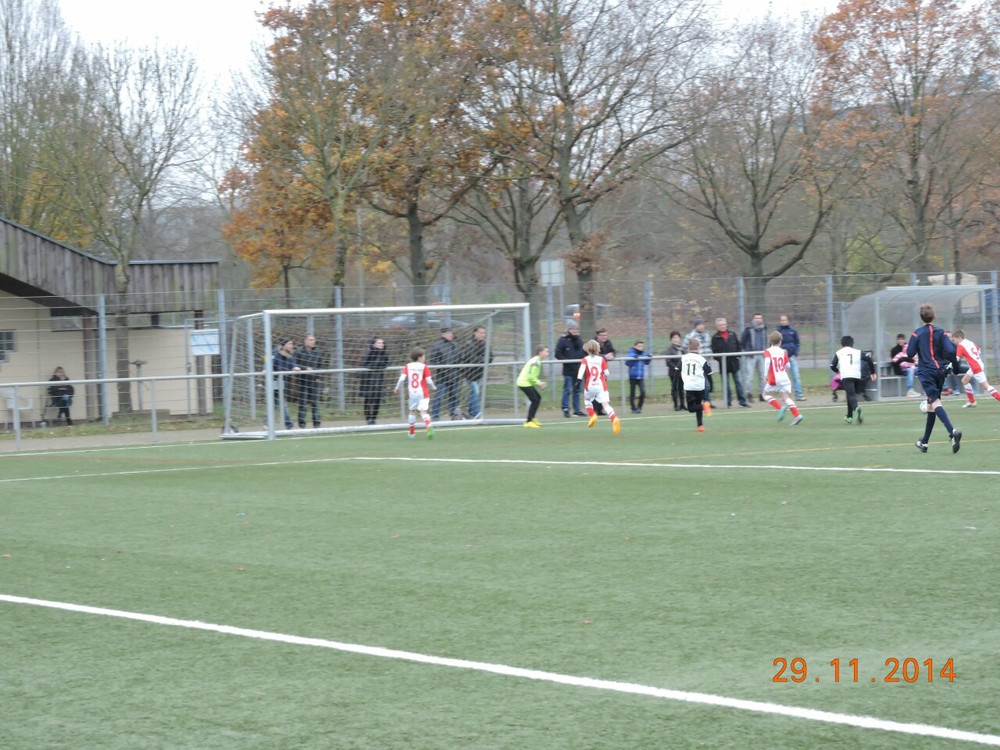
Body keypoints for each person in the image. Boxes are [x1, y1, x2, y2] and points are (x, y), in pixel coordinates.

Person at [906, 304, 962, 453]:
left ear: (921, 317)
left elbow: (910, 353)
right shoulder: (941, 333)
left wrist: (919, 348)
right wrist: (955, 367)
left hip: (926, 372)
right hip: (940, 371)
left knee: (935, 402)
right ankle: (924, 442)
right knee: (931, 406)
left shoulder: (917, 334)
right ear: (934, 316)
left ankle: (952, 432)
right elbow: (950, 350)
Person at [577, 339, 621, 434]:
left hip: (590, 385)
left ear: (587, 350)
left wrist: (578, 381)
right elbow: (607, 373)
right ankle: (614, 419)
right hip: (601, 385)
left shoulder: (585, 359)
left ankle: (592, 415)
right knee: (605, 404)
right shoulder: (602, 359)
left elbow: (581, 371)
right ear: (598, 349)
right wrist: (604, 377)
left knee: (587, 400)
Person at [762, 330, 804, 426]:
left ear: (770, 341)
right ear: (780, 341)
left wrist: (765, 375)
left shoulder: (768, 351)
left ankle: (779, 408)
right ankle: (797, 415)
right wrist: (784, 372)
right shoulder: (783, 352)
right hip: (784, 376)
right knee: (785, 397)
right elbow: (788, 365)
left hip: (774, 378)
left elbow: (767, 362)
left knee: (765, 394)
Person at [831, 335, 875, 424]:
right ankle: (849, 416)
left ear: (842, 344)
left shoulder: (839, 352)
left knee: (851, 395)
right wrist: (873, 372)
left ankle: (856, 408)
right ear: (852, 344)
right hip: (857, 376)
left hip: (846, 376)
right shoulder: (858, 352)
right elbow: (869, 359)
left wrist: (837, 371)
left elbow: (832, 366)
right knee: (850, 394)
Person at [950, 328, 1000, 408]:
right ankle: (972, 401)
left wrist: (949, 366)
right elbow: (979, 350)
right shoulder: (970, 342)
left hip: (975, 367)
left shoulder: (960, 345)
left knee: (986, 386)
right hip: (978, 364)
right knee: (964, 381)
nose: (954, 341)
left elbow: (956, 359)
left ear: (959, 338)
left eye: (954, 339)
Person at [394, 347, 437, 439]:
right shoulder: (424, 367)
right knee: (423, 411)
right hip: (423, 392)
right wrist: (433, 387)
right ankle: (428, 425)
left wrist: (396, 388)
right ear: (419, 357)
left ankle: (412, 433)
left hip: (412, 393)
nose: (425, 358)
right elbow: (429, 380)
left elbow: (401, 378)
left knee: (412, 411)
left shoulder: (408, 366)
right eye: (424, 356)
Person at [711, 317, 748, 407]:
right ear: (717, 326)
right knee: (726, 385)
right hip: (723, 365)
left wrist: (737, 357)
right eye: (720, 325)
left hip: (734, 364)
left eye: (723, 324)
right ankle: (728, 402)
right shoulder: (715, 338)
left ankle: (742, 401)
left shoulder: (732, 334)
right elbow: (714, 351)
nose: (722, 326)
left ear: (726, 324)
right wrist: (720, 360)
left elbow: (739, 346)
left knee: (738, 382)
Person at [555, 320, 587, 417]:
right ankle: (565, 408)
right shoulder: (562, 340)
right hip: (568, 370)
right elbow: (558, 353)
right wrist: (566, 361)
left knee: (577, 390)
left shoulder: (579, 340)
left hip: (578, 369)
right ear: (568, 329)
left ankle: (577, 409)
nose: (575, 331)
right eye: (573, 329)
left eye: (576, 329)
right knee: (567, 389)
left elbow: (584, 352)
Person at [428, 327, 461, 421]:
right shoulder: (437, 346)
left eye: (451, 333)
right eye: (449, 333)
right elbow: (433, 361)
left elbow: (460, 359)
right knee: (439, 397)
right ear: (443, 334)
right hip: (442, 377)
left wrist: (458, 371)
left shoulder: (455, 345)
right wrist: (443, 369)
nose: (451, 335)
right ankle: (435, 417)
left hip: (454, 376)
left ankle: (453, 415)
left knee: (454, 397)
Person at [680, 337, 712, 432]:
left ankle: (704, 406)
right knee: (698, 403)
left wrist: (675, 384)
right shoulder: (701, 358)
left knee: (691, 408)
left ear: (688, 348)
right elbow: (709, 372)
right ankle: (700, 426)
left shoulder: (684, 358)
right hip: (700, 386)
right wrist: (710, 384)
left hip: (689, 386)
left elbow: (677, 370)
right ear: (698, 348)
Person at [461, 325, 492, 419]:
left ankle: (470, 413)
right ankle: (475, 413)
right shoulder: (469, 344)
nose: (483, 335)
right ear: (475, 333)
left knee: (474, 392)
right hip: (470, 374)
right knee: (475, 391)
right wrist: (483, 360)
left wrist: (483, 360)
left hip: (480, 373)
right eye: (481, 332)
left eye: (484, 333)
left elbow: (490, 357)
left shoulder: (485, 344)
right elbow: (472, 358)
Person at [294, 333, 325, 428]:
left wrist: (317, 374)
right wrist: (305, 369)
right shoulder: (299, 351)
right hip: (302, 380)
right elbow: (295, 364)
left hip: (314, 380)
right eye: (311, 340)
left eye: (313, 340)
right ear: (305, 341)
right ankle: (301, 423)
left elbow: (320, 365)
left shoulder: (317, 352)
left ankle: (317, 423)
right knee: (302, 403)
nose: (313, 342)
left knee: (315, 403)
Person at [271, 337, 300, 430]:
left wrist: (295, 367)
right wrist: (266, 368)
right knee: (281, 403)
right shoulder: (275, 354)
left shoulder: (289, 356)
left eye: (292, 344)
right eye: (289, 344)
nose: (292, 346)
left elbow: (293, 365)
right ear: (283, 346)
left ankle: (266, 424)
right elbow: (268, 363)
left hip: (285, 383)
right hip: (275, 382)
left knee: (275, 404)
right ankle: (289, 425)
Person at [682, 318, 713, 406]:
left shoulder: (707, 335)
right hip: (696, 365)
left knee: (707, 385)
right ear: (695, 326)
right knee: (701, 384)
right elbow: (684, 348)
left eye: (703, 324)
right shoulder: (690, 336)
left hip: (706, 363)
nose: (702, 326)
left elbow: (709, 347)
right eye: (699, 324)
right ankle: (703, 403)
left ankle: (707, 402)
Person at [359, 337, 389, 425]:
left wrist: (380, 365)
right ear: (374, 344)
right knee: (368, 399)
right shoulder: (369, 353)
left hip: (379, 380)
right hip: (368, 380)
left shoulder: (384, 354)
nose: (381, 344)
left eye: (382, 343)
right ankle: (368, 417)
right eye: (379, 343)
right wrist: (376, 365)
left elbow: (386, 364)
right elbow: (364, 364)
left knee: (377, 400)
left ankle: (374, 418)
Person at [517, 345, 548, 428]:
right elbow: (530, 376)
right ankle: (528, 421)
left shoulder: (537, 360)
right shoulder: (536, 362)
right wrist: (539, 383)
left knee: (537, 398)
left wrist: (538, 382)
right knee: (535, 400)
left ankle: (532, 418)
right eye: (546, 351)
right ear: (540, 352)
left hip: (525, 382)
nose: (547, 354)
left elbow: (531, 376)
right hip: (524, 383)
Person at [776, 314, 805, 399]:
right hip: (781, 358)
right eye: (782, 320)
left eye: (785, 320)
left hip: (791, 357)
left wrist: (796, 352)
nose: (783, 322)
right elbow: (774, 344)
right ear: (780, 321)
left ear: (787, 321)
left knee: (796, 376)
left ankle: (799, 394)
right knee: (783, 378)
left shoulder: (793, 331)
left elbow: (797, 342)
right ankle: (785, 395)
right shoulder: (777, 332)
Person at [740, 313, 768, 401]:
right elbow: (743, 341)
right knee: (750, 376)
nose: (758, 319)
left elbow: (766, 340)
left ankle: (761, 394)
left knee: (762, 376)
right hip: (751, 355)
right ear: (753, 319)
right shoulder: (748, 329)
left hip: (761, 354)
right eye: (756, 318)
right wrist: (748, 350)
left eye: (760, 318)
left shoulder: (764, 328)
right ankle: (749, 394)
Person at [624, 340, 651, 414]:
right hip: (633, 376)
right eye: (639, 346)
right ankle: (633, 408)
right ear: (635, 346)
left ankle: (639, 407)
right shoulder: (631, 353)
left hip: (640, 377)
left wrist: (649, 357)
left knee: (643, 392)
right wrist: (634, 358)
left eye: (642, 346)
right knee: (632, 393)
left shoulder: (643, 354)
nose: (641, 347)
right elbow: (627, 363)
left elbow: (647, 363)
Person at [890, 333, 919, 397]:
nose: (900, 341)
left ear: (904, 340)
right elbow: (894, 362)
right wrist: (904, 359)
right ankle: (910, 390)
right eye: (899, 339)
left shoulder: (909, 348)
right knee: (910, 371)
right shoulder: (894, 350)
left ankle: (928, 389)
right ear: (897, 340)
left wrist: (904, 359)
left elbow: (913, 359)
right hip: (900, 369)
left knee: (924, 371)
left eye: (902, 339)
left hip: (912, 367)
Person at [665, 330, 684, 411]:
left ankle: (683, 404)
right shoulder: (670, 349)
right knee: (674, 389)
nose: (676, 339)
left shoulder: (683, 348)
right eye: (674, 338)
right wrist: (676, 368)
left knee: (682, 389)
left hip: (683, 372)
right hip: (674, 373)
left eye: (677, 337)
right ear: (671, 339)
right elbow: (668, 361)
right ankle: (676, 405)